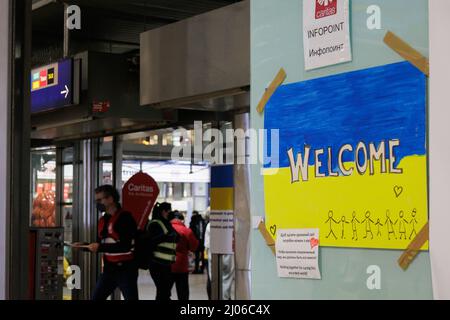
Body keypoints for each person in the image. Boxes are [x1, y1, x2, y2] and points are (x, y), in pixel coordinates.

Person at [73, 185, 138, 300]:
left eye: (100, 200)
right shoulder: (103, 220)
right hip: (109, 270)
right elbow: (100, 243)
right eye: (96, 200)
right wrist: (84, 245)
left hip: (126, 270)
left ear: (110, 199)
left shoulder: (125, 218)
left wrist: (99, 247)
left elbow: (125, 246)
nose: (97, 203)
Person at [147, 202, 178, 300]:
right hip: (157, 263)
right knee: (163, 291)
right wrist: (167, 236)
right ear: (163, 211)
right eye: (169, 211)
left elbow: (177, 237)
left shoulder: (167, 223)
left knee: (165, 292)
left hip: (167, 264)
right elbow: (152, 241)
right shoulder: (155, 223)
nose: (170, 213)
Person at [169, 211, 198, 300]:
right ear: (181, 219)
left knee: (164, 292)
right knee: (183, 293)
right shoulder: (186, 231)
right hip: (181, 266)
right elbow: (194, 246)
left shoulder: (166, 228)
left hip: (167, 264)